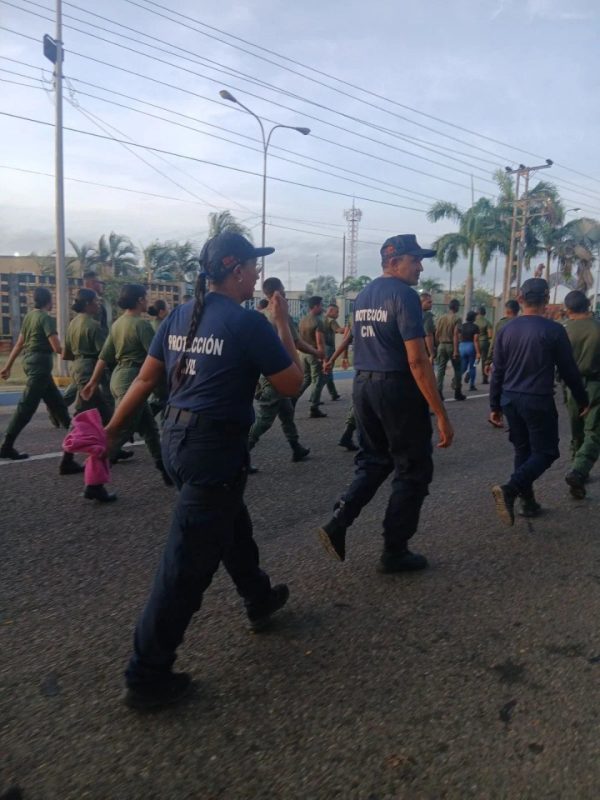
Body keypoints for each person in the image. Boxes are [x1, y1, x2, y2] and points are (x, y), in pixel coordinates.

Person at [104, 232, 302, 710]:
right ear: (236, 270)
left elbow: (145, 380)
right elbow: (292, 384)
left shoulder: (179, 315)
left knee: (230, 523)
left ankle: (258, 598)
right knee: (185, 566)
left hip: (178, 441)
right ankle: (147, 674)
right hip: (212, 450)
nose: (257, 273)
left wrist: (111, 432)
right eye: (253, 265)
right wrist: (281, 324)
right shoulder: (247, 322)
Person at [317, 234, 454, 571]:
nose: (420, 267)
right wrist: (440, 413)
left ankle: (339, 520)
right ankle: (395, 550)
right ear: (394, 262)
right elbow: (417, 360)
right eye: (415, 260)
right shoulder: (404, 295)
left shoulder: (364, 294)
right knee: (413, 468)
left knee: (375, 460)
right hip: (396, 387)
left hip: (364, 385)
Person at [489, 278, 589, 524]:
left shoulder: (506, 329)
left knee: (522, 450)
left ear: (521, 299)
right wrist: (582, 399)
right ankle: (511, 489)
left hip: (510, 399)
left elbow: (497, 370)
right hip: (537, 400)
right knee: (547, 452)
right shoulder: (554, 330)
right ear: (546, 299)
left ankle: (528, 502)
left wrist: (494, 405)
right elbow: (568, 371)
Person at [81, 283, 169, 486]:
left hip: (119, 378)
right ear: (139, 300)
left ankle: (165, 471)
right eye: (145, 297)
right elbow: (158, 358)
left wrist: (93, 381)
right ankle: (94, 483)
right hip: (132, 381)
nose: (147, 301)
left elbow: (104, 356)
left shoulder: (118, 323)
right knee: (119, 433)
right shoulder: (141, 325)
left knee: (149, 428)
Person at [0, 286, 83, 474]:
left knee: (59, 407)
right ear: (49, 301)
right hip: (40, 367)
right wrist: (78, 355)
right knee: (26, 407)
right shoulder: (46, 318)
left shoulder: (30, 316)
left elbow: (19, 343)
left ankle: (73, 449)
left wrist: (8, 366)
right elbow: (56, 347)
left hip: (32, 363)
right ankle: (6, 446)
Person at [63, 288, 132, 485]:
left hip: (77, 368)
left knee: (85, 413)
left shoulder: (73, 323)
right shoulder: (93, 325)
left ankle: (71, 459)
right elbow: (105, 353)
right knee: (98, 414)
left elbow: (66, 353)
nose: (98, 304)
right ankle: (97, 470)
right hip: (90, 369)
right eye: (95, 301)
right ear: (87, 303)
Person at [248, 277, 319, 465]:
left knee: (287, 412)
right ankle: (241, 454)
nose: (285, 294)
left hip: (265, 374)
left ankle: (296, 447)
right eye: (283, 290)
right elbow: (297, 343)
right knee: (264, 420)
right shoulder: (281, 316)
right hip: (278, 375)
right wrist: (317, 352)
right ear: (278, 292)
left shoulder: (260, 316)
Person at [563, 290, 600, 498]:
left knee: (576, 431)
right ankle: (578, 471)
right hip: (595, 384)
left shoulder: (563, 330)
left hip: (570, 386)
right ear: (587, 305)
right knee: (594, 432)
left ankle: (576, 472)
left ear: (568, 309)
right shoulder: (598, 327)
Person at [324, 327, 359, 451]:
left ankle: (348, 433)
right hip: (383, 366)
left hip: (363, 366)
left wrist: (334, 359)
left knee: (359, 401)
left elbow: (347, 338)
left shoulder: (358, 316)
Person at [297, 296, 327, 418]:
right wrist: (323, 358)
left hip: (303, 353)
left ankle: (292, 399)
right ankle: (314, 408)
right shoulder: (317, 321)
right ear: (315, 306)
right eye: (321, 305)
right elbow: (320, 342)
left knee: (306, 379)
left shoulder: (302, 320)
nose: (322, 308)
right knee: (317, 380)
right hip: (314, 354)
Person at [435, 299, 465, 401]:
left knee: (440, 369)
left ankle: (439, 392)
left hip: (441, 345)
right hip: (452, 346)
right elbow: (456, 335)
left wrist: (438, 345)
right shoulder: (457, 318)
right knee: (457, 369)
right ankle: (457, 392)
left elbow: (437, 333)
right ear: (456, 307)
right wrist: (456, 351)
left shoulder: (441, 318)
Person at [147, 299, 170, 418]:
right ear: (161, 312)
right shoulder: (165, 327)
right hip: (161, 368)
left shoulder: (150, 325)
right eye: (168, 308)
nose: (169, 310)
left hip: (149, 367)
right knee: (163, 399)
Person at [322, 303, 343, 401]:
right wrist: (349, 328)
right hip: (329, 349)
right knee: (328, 372)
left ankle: (333, 393)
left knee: (324, 372)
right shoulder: (331, 321)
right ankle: (316, 396)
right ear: (330, 311)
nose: (338, 314)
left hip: (320, 348)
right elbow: (339, 330)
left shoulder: (321, 319)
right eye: (337, 312)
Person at [459, 310, 481, 392]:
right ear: (473, 318)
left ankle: (456, 379)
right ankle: (472, 385)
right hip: (471, 347)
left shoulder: (462, 326)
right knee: (473, 367)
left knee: (463, 366)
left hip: (462, 347)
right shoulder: (475, 327)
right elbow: (476, 340)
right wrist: (478, 352)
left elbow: (459, 337)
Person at [474, 306, 493, 385]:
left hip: (475, 343)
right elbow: (490, 335)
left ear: (477, 313)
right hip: (484, 343)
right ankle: (485, 378)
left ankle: (470, 371)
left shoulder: (474, 322)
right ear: (484, 313)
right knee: (484, 361)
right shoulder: (487, 322)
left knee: (476, 359)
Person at [420, 292, 436, 363]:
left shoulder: (413, 314)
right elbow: (428, 335)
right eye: (429, 302)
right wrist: (431, 354)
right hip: (424, 351)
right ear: (421, 303)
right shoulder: (427, 315)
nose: (431, 304)